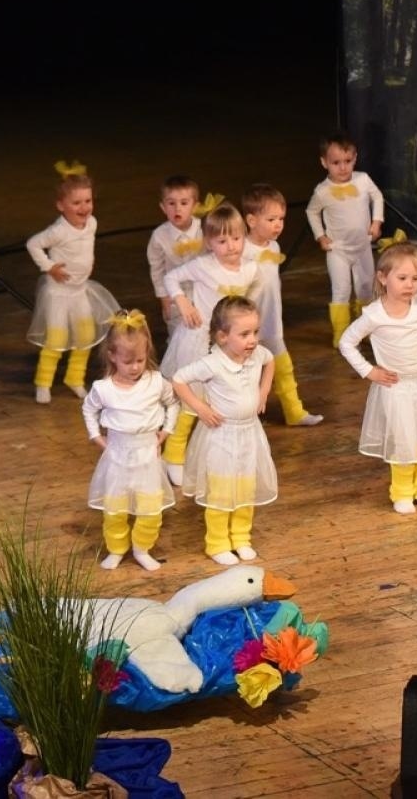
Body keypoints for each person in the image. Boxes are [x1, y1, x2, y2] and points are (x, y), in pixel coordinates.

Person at [338, 242, 417, 513]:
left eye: (415, 279)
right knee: (404, 443)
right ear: (383, 278)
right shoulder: (374, 315)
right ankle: (402, 493)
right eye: (402, 278)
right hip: (397, 389)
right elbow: (347, 342)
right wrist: (369, 371)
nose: (410, 285)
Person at [159, 202, 261, 484]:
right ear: (209, 242)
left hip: (230, 344)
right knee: (194, 402)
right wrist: (183, 301)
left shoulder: (250, 269)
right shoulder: (203, 266)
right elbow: (171, 277)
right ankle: (173, 454)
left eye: (237, 238)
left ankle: (217, 454)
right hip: (200, 339)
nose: (231, 246)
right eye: (222, 240)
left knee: (222, 400)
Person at [172, 296, 277, 567]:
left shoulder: (255, 355)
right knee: (220, 491)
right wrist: (200, 407)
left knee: (245, 487)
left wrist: (264, 391)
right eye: (244, 334)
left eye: (255, 332)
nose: (252, 340)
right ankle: (217, 542)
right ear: (222, 336)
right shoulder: (212, 363)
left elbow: (271, 359)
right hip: (222, 437)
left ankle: (241, 538)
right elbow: (179, 379)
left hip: (249, 435)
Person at [82, 309, 179, 572]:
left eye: (140, 359)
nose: (136, 366)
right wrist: (95, 436)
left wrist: (166, 431)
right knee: (115, 509)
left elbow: (173, 404)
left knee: (150, 509)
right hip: (117, 456)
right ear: (112, 356)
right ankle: (116, 548)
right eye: (128, 361)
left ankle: (142, 548)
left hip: (147, 455)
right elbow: (89, 409)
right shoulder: (104, 388)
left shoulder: (156, 382)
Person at [25, 164, 120, 403]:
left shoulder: (92, 223)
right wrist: (48, 267)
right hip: (58, 293)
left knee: (86, 335)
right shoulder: (58, 230)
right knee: (56, 340)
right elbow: (33, 244)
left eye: (87, 201)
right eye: (76, 203)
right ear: (61, 205)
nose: (84, 207)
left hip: (80, 291)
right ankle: (43, 383)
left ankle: (74, 378)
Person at [242, 182, 321, 426]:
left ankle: (294, 411)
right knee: (245, 371)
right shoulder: (242, 250)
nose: (278, 225)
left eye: (281, 219)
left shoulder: (274, 246)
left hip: (272, 321)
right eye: (271, 219)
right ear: (252, 220)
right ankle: (244, 414)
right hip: (248, 324)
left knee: (282, 366)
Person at [306, 133, 384, 346]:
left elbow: (377, 196)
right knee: (341, 290)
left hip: (362, 247)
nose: (343, 168)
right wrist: (320, 235)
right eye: (336, 163)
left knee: (366, 287)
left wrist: (376, 221)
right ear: (324, 162)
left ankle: (366, 328)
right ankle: (342, 334)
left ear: (355, 158)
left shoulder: (363, 179)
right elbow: (312, 212)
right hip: (338, 250)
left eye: (347, 161)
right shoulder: (323, 191)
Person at [145, 175, 205, 331]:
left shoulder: (204, 229)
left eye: (184, 203)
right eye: (171, 203)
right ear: (163, 207)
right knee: (177, 328)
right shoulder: (159, 236)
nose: (177, 208)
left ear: (194, 206)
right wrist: (164, 297)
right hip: (175, 292)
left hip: (202, 290)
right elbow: (157, 269)